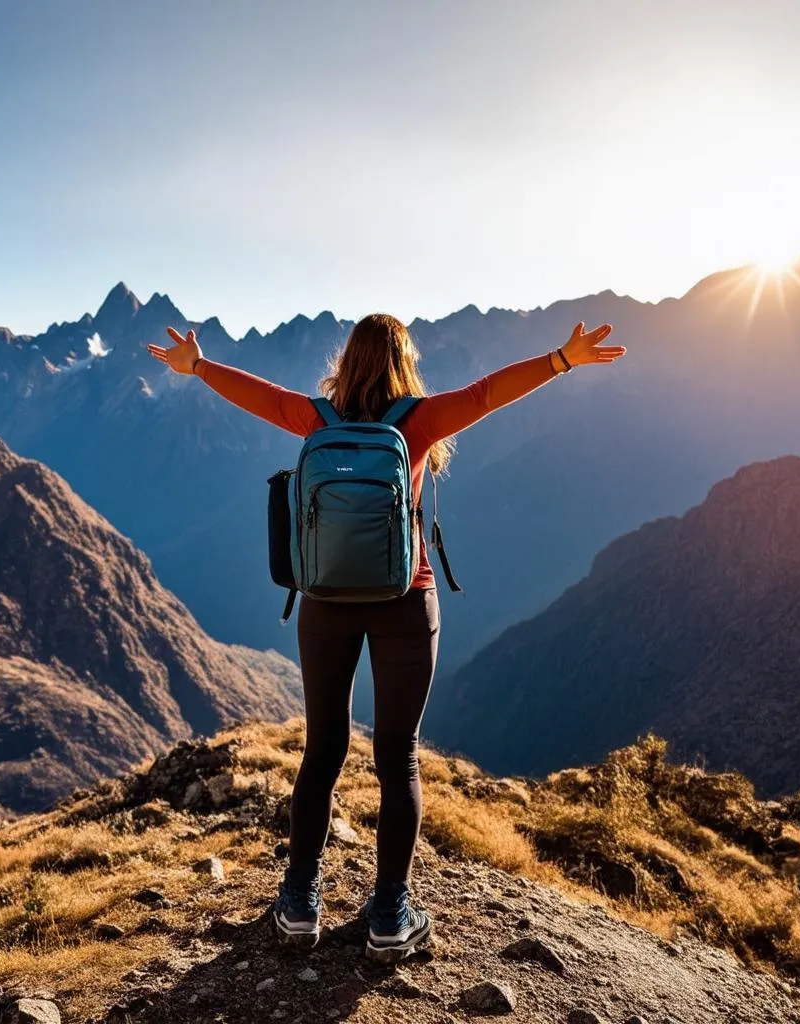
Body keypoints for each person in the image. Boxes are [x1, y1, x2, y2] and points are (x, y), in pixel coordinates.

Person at [147, 314, 625, 961]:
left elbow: (258, 395)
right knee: (397, 753)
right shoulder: (418, 422)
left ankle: (298, 903)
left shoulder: (316, 420)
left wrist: (199, 367)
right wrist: (561, 359)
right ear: (404, 361)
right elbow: (486, 393)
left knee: (323, 750)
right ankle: (390, 916)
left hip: (324, 601)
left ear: (347, 362)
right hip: (406, 599)